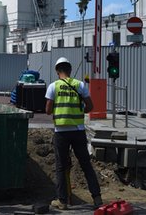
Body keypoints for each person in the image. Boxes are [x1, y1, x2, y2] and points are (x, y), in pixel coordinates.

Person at [45, 57, 103, 210]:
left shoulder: (53, 86)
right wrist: (78, 111)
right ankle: (97, 198)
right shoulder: (80, 85)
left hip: (61, 133)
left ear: (57, 71)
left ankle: (62, 201)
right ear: (70, 70)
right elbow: (90, 106)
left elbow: (48, 110)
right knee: (86, 165)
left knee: (60, 167)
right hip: (78, 131)